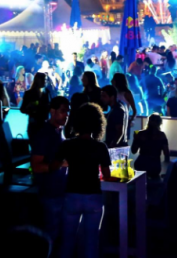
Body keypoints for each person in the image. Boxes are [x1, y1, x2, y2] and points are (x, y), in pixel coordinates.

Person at [55, 103, 113, 258]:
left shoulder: (67, 144)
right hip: (93, 196)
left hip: (72, 194)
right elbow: (106, 175)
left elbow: (55, 165)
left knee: (67, 241)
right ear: (98, 124)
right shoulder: (100, 147)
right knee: (91, 241)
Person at [31, 96, 70, 242]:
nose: (66, 114)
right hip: (50, 193)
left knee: (60, 235)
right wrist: (60, 164)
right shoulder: (44, 134)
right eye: (63, 111)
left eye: (68, 111)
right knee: (51, 236)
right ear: (52, 111)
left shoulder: (60, 131)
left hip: (61, 191)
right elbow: (36, 165)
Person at [131, 113, 169, 179]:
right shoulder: (161, 135)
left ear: (148, 122)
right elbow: (166, 153)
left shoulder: (140, 134)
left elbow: (134, 151)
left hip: (141, 164)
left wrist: (135, 139)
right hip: (154, 166)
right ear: (160, 123)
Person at [21, 73, 52, 142]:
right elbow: (22, 109)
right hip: (34, 125)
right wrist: (29, 108)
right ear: (38, 80)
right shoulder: (29, 93)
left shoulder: (47, 92)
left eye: (46, 80)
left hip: (44, 125)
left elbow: (50, 106)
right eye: (44, 79)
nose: (45, 81)